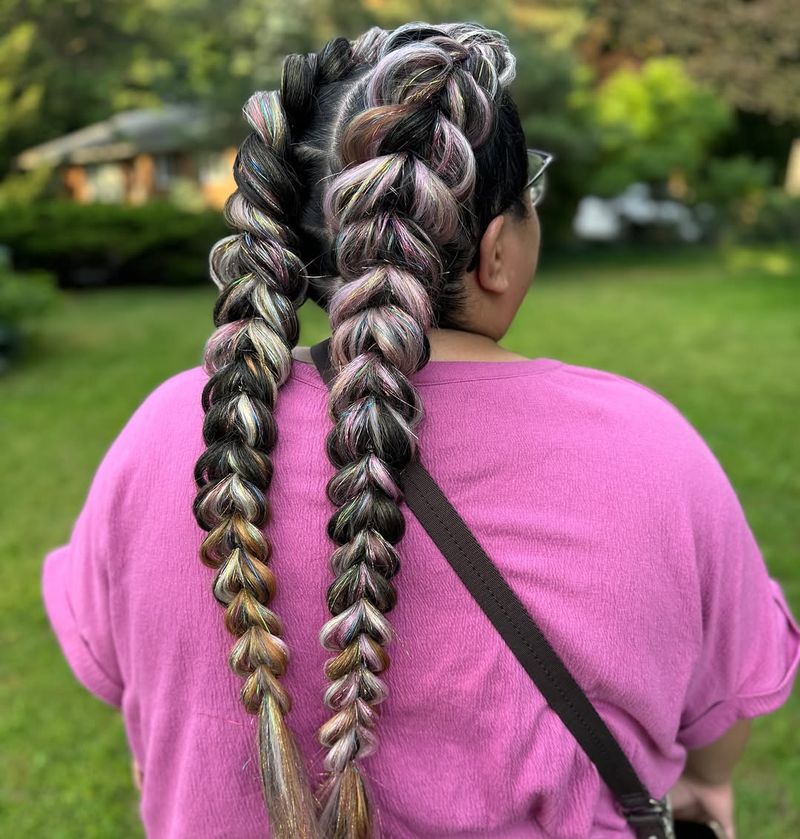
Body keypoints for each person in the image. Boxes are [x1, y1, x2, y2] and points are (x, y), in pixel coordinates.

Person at [41, 20, 799, 839]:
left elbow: (123, 681)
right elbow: (723, 717)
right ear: (496, 251)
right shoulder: (652, 452)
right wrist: (706, 791)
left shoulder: (174, 433)